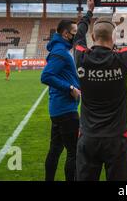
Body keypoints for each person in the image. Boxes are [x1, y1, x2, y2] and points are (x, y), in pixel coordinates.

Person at [75, 0, 127, 181]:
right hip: (116, 140)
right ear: (114, 38)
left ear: (92, 36)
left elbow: (78, 35)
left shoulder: (80, 57)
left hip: (88, 137)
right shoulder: (121, 59)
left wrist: (89, 11)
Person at [40, 19, 81, 181]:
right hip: (66, 110)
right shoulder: (60, 52)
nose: (76, 36)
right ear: (65, 34)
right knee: (74, 152)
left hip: (58, 109)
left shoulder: (60, 49)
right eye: (74, 33)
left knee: (55, 149)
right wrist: (70, 88)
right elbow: (46, 76)